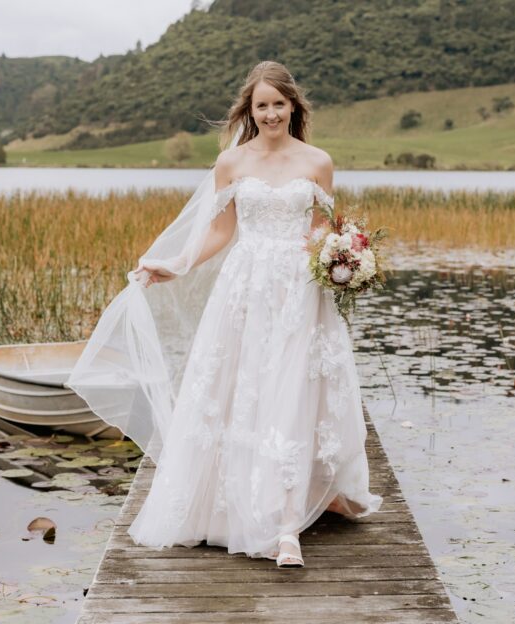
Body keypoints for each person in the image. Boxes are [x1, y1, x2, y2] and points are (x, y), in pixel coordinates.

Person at [68, 60, 381, 568]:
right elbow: (220, 232)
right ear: (250, 111)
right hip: (247, 287)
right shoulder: (231, 164)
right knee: (242, 389)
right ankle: (242, 508)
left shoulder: (318, 161)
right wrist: (176, 264)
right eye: (262, 105)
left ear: (293, 106)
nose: (272, 113)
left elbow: (325, 230)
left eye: (280, 103)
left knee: (296, 392)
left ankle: (286, 526)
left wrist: (344, 256)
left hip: (302, 291)